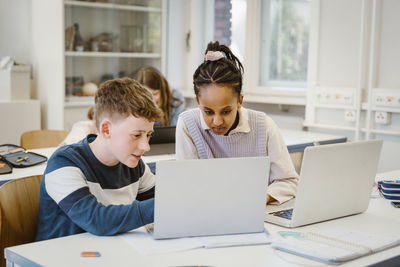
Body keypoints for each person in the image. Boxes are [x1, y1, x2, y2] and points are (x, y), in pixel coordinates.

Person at [36, 77, 164, 241]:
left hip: (110, 253)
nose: (145, 146)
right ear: (106, 129)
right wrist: (166, 204)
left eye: (148, 135)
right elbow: (97, 220)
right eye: (137, 135)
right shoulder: (63, 162)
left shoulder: (133, 163)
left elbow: (165, 196)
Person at [175, 41, 298, 205]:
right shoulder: (187, 124)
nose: (217, 121)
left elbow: (288, 181)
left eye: (226, 111)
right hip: (207, 211)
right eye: (208, 112)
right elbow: (187, 185)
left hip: (254, 213)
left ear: (240, 100)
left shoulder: (264, 126)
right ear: (198, 101)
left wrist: (260, 198)